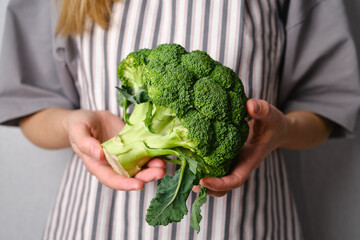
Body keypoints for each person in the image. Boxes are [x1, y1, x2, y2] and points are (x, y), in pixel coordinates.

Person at [1, 0, 359, 239]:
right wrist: (71, 125)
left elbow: (324, 103)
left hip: (247, 224)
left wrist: (283, 131)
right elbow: (32, 102)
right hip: (95, 223)